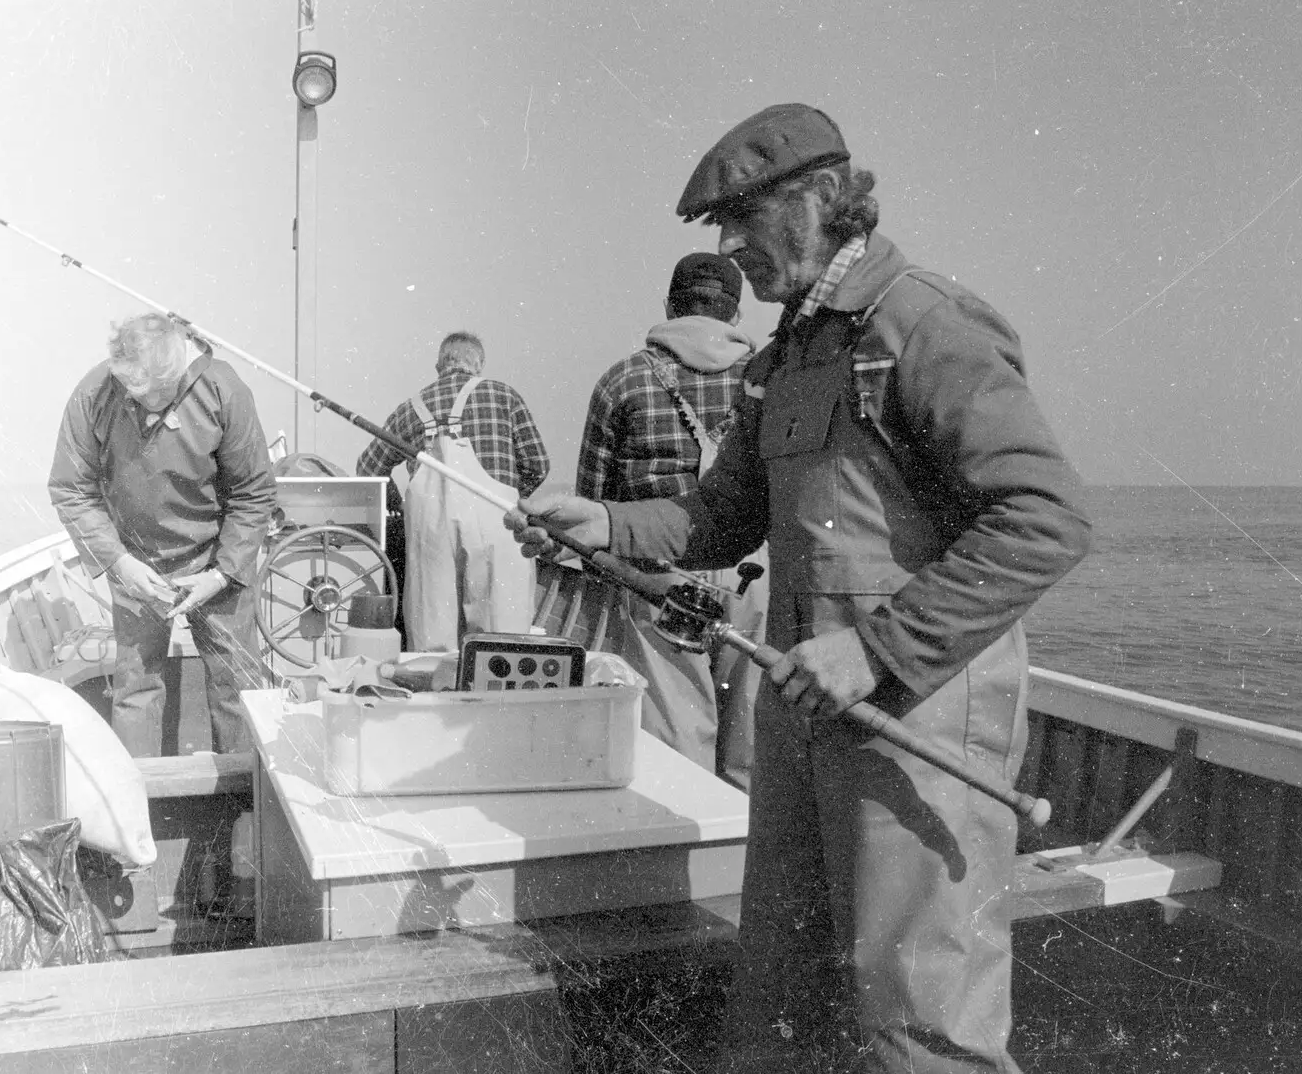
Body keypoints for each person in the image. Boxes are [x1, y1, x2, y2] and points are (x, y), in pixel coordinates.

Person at [511, 103, 1092, 1073]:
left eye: (745, 218)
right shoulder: (783, 359)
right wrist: (602, 522)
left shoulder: (924, 325)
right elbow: (715, 519)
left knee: (918, 1027)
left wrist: (875, 652)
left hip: (920, 729)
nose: (730, 251)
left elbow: (1046, 518)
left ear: (823, 196)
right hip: (802, 724)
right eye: (721, 230)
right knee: (786, 1003)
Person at [576, 251, 767, 790]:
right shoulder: (766, 379)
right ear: (734, 314)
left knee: (680, 747)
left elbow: (595, 503)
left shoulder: (622, 380)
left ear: (668, 305)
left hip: (660, 578)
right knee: (751, 747)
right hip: (754, 578)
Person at [49, 312, 276, 756]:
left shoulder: (224, 390)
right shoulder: (94, 392)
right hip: (134, 560)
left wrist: (222, 573)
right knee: (135, 687)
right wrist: (118, 563)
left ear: (180, 370)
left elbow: (254, 493)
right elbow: (70, 488)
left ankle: (248, 807)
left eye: (158, 393)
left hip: (216, 558)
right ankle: (143, 812)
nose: (148, 404)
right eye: (136, 393)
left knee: (237, 687)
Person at [357, 331, 549, 651]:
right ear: (479, 364)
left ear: (438, 366)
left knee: (433, 634)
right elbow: (539, 463)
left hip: (430, 530)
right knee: (502, 639)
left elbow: (367, 469)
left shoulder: (410, 409)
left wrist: (398, 505)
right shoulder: (504, 395)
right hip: (497, 523)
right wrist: (510, 497)